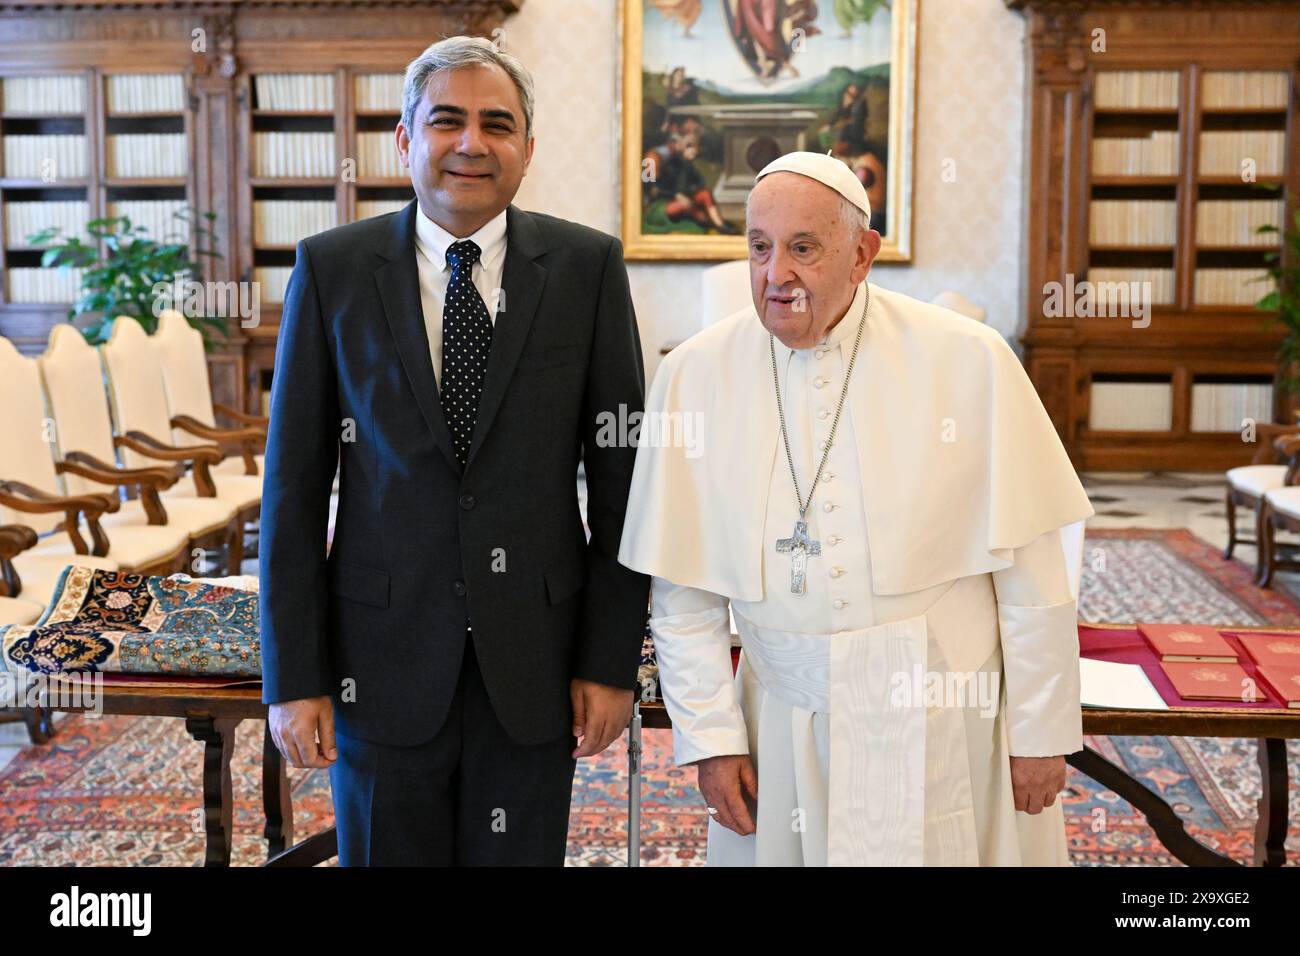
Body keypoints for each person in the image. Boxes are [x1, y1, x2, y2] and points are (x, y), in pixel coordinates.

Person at [619, 151, 1095, 866]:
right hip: (782, 721)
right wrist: (713, 741)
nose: (775, 275)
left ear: (863, 254)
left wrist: (1039, 732)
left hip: (944, 716)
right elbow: (683, 595)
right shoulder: (694, 375)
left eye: (803, 248)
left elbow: (1032, 571)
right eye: (758, 247)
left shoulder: (969, 360)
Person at [260, 36, 649, 866]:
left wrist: (611, 662)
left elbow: (623, 486)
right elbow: (293, 489)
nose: (473, 144)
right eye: (447, 121)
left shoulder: (585, 269)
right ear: (405, 140)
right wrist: (293, 678)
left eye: (497, 125)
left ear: (527, 150)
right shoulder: (332, 270)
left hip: (536, 668)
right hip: (380, 660)